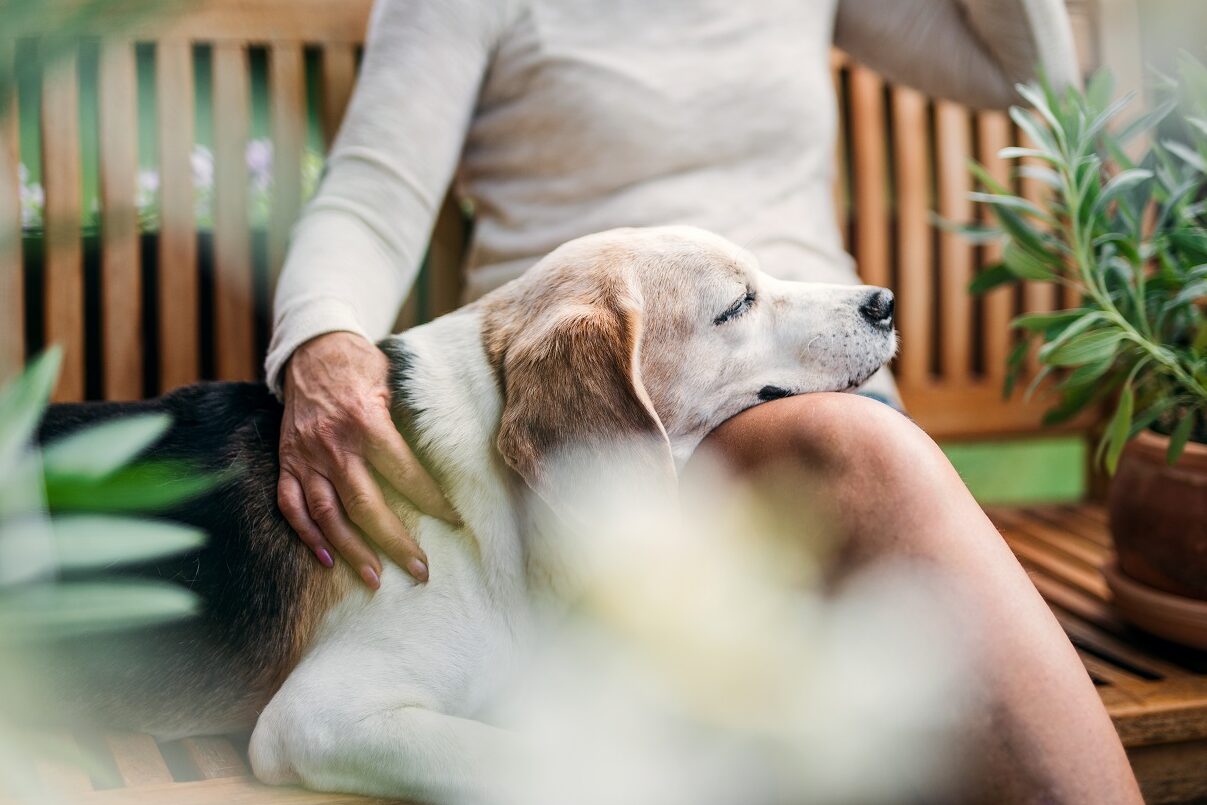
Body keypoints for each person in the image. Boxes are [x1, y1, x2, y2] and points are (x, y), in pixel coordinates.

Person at [267, 1, 1142, 800]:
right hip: (595, 412)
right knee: (862, 458)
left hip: (816, 367)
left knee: (865, 494)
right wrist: (323, 347)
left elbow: (1025, 74)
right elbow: (372, 198)